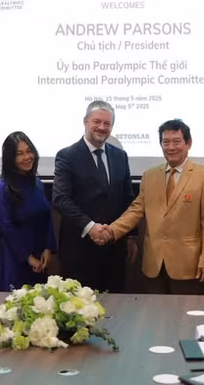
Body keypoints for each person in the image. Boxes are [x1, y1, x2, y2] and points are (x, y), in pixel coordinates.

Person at [102, 119, 204, 294]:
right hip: (153, 265)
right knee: (155, 318)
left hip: (189, 266)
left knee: (187, 317)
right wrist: (110, 231)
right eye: (166, 142)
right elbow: (135, 211)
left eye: (176, 142)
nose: (171, 147)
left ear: (188, 143)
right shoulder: (150, 175)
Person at [53, 100, 136, 292]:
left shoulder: (120, 156)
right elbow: (60, 199)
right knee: (79, 313)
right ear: (86, 122)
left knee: (115, 311)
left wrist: (131, 236)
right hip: (79, 250)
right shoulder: (67, 155)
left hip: (114, 248)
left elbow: (127, 198)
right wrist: (91, 227)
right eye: (97, 122)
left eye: (107, 124)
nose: (102, 127)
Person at [0, 131, 57, 290]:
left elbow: (47, 217)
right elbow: (6, 227)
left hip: (39, 257)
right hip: (16, 259)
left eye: (29, 151)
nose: (27, 157)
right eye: (19, 154)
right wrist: (28, 258)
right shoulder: (3, 187)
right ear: (10, 158)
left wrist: (48, 249)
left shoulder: (37, 183)